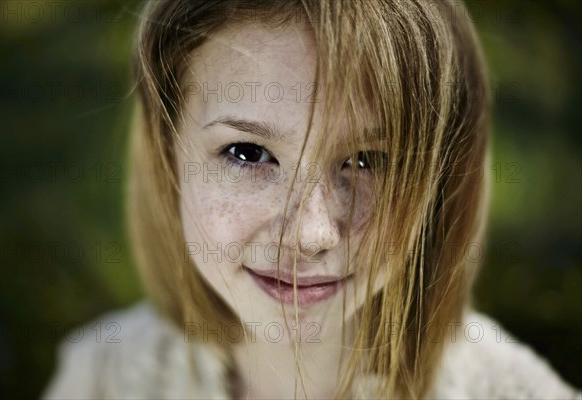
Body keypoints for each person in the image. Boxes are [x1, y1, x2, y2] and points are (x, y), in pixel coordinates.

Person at [43, 0, 582, 399]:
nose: (310, 235)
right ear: (168, 156)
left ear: (443, 180)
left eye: (368, 160)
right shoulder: (103, 377)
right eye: (249, 153)